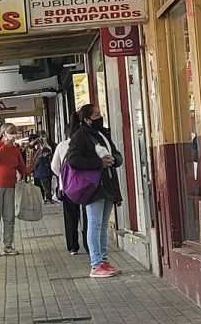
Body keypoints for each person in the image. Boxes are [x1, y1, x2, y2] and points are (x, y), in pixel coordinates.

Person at [65, 104, 124, 278]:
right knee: (94, 224)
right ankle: (96, 264)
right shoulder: (80, 136)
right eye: (96, 115)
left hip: (108, 184)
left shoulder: (102, 134)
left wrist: (115, 160)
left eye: (100, 114)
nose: (100, 117)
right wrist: (98, 163)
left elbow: (116, 153)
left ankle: (103, 260)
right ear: (87, 119)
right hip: (92, 186)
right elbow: (73, 160)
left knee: (103, 225)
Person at [0, 123, 28, 258]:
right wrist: (5, 145)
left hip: (10, 185)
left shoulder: (15, 149)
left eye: (15, 133)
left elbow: (22, 167)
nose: (14, 136)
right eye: (11, 133)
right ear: (3, 133)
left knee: (9, 217)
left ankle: (8, 246)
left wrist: (30, 166)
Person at [52, 120, 87, 256]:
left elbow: (54, 167)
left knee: (70, 217)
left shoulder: (61, 146)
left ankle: (73, 247)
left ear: (67, 133)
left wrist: (63, 176)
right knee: (86, 216)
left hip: (68, 187)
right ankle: (89, 245)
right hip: (85, 187)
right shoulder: (86, 144)